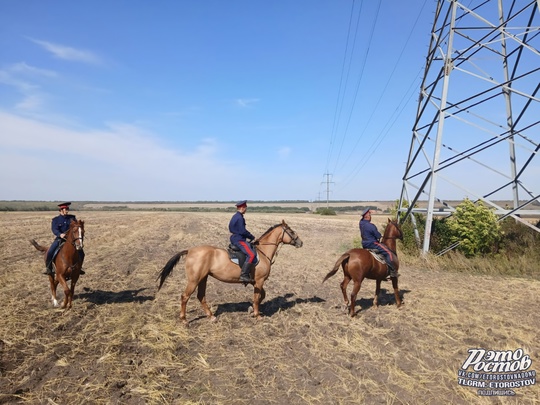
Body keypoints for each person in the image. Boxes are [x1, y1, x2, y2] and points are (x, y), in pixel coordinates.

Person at [44, 202, 85, 275]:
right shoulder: (56, 220)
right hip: (60, 239)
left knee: (81, 253)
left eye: (67, 209)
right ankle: (49, 268)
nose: (67, 210)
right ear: (61, 210)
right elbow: (54, 229)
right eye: (65, 209)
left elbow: (75, 227)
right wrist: (60, 234)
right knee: (50, 252)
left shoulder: (72, 218)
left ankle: (79, 268)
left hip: (71, 240)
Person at [359, 208, 398, 278]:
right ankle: (392, 271)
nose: (370, 216)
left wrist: (368, 212)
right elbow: (378, 236)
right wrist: (380, 235)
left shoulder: (361, 223)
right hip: (372, 244)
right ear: (367, 216)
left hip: (364, 244)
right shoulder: (371, 226)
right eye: (370, 215)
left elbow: (363, 219)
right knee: (388, 252)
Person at [229, 200, 256, 283]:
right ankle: (244, 275)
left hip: (234, 237)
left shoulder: (235, 216)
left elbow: (230, 227)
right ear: (242, 208)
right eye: (245, 208)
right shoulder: (240, 218)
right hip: (239, 240)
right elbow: (242, 231)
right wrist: (251, 236)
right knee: (251, 255)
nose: (246, 209)